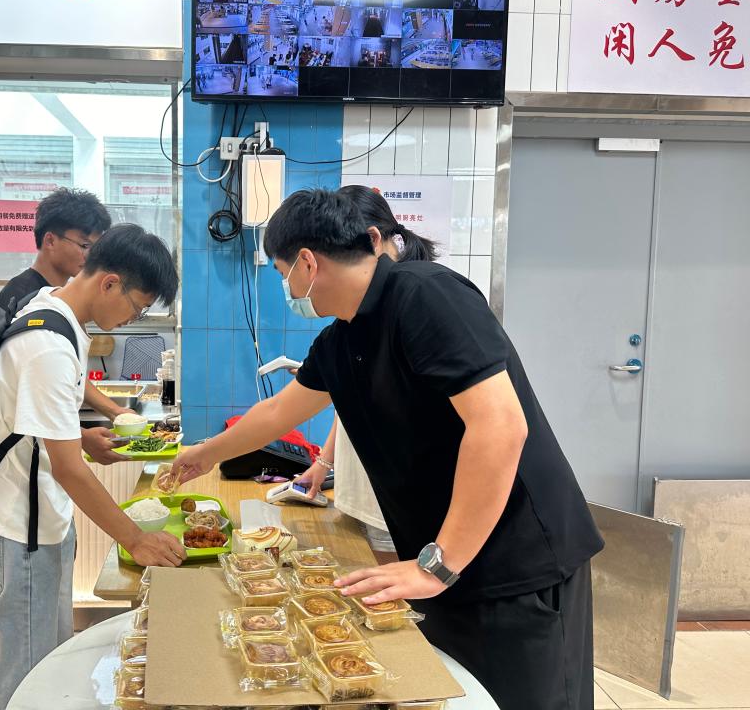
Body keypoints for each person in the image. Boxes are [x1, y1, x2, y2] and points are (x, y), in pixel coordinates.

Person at [173, 188, 604, 710]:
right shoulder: (342, 338)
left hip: (515, 564)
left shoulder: (425, 296)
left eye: (282, 273)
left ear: (307, 263)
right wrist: (205, 454)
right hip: (441, 560)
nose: (287, 288)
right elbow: (277, 413)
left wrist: (437, 564)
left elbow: (500, 427)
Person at [0, 224, 186, 710]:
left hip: (39, 521)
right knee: (22, 682)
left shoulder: (55, 310)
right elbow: (68, 470)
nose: (132, 320)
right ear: (109, 282)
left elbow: (33, 415)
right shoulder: (48, 344)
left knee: (44, 659)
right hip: (15, 531)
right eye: (137, 307)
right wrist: (135, 539)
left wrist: (83, 437)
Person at [296, 185, 436, 564]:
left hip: (395, 492)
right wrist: (325, 462)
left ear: (372, 241)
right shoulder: (354, 319)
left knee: (388, 592)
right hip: (358, 483)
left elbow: (498, 427)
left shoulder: (421, 300)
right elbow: (349, 399)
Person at [0, 188, 131, 466]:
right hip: (14, 465)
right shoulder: (26, 299)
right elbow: (24, 394)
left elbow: (71, 374)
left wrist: (116, 412)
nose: (91, 257)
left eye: (96, 248)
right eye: (85, 245)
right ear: (50, 240)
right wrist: (82, 437)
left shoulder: (56, 296)